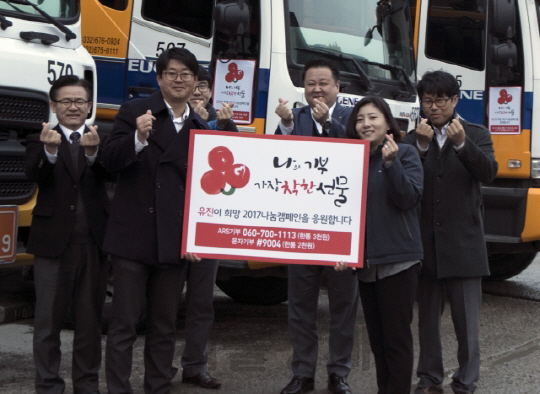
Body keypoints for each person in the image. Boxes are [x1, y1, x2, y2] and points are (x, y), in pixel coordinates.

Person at [103, 47, 228, 394]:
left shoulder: (200, 127)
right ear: (159, 79)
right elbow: (109, 162)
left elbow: (207, 191)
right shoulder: (133, 112)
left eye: (186, 74)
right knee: (125, 323)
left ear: (195, 83)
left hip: (173, 240)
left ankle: (158, 385)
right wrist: (138, 139)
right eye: (171, 73)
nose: (179, 80)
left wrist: (196, 239)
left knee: (164, 324)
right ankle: (118, 388)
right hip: (132, 236)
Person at [405, 70, 498, 394]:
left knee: (467, 326)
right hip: (425, 244)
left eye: (440, 100)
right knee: (427, 322)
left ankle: (466, 381)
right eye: (427, 101)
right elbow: (404, 183)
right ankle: (429, 378)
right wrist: (418, 147)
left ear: (455, 100)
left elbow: (489, 173)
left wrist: (462, 144)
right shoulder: (413, 137)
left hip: (463, 244)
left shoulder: (476, 134)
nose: (433, 107)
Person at [275, 58, 357, 394]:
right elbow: (274, 167)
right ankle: (302, 373)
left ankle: (339, 374)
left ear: (338, 87)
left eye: (324, 83)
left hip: (340, 231)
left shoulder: (355, 118)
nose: (317, 89)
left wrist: (331, 125)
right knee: (300, 307)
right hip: (301, 230)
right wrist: (284, 127)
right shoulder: (294, 118)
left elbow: (359, 156)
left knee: (343, 307)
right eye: (311, 83)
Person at [25, 75, 109, 394]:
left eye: (79, 102)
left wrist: (91, 155)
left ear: (89, 106)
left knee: (89, 324)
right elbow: (33, 174)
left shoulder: (102, 137)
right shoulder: (41, 138)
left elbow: (113, 172)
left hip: (93, 245)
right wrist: (48, 152)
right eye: (66, 102)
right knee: (47, 323)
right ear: (54, 106)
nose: (73, 107)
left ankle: (86, 385)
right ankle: (48, 385)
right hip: (52, 246)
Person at [337, 96, 423, 394]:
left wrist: (391, 163)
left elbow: (408, 199)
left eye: (373, 117)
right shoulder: (349, 159)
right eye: (360, 119)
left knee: (396, 340)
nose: (366, 124)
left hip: (399, 260)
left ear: (388, 122)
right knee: (377, 341)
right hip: (365, 265)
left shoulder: (407, 153)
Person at [189, 64, 237, 131]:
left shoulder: (221, 120)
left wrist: (224, 125)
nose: (197, 92)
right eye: (191, 87)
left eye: (202, 86)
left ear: (210, 92)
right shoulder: (172, 118)